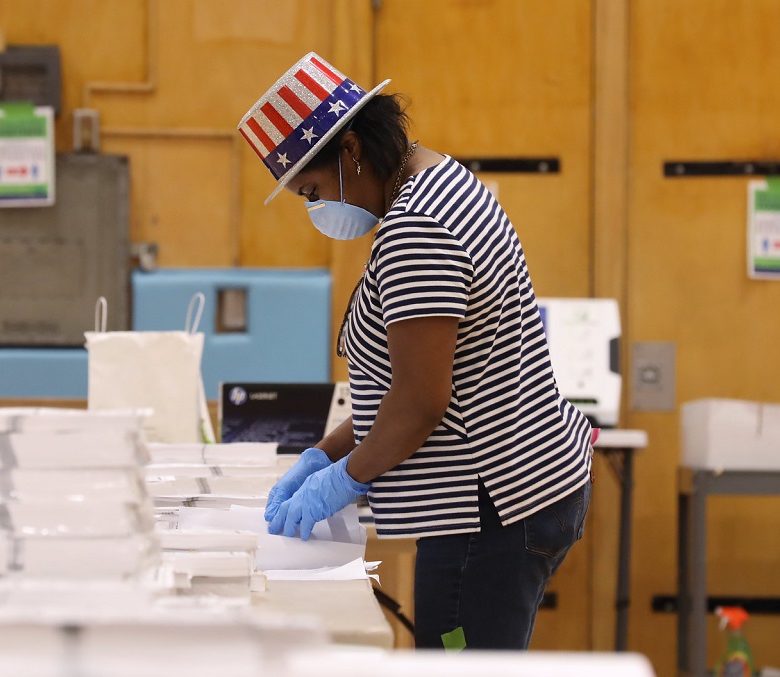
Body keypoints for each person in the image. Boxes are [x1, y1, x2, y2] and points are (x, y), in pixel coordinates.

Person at [238, 52, 596, 650]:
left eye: (312, 190)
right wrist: (323, 455)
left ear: (350, 149)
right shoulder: (439, 181)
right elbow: (415, 384)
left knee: (455, 662)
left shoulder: (419, 229)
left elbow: (421, 400)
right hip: (515, 495)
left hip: (491, 510)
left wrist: (343, 479)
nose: (314, 208)